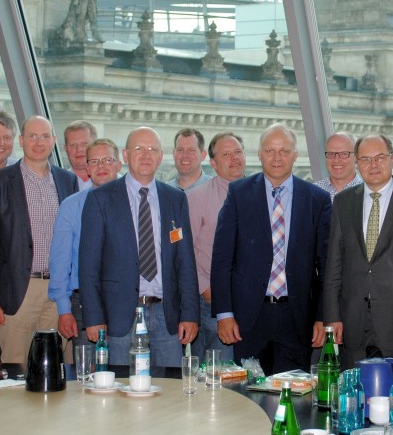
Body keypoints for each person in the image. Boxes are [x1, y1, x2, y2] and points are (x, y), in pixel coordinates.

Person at [211, 123, 331, 373]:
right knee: (247, 398)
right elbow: (222, 259)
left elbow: (326, 266)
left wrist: (322, 316)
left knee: (295, 396)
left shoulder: (316, 199)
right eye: (270, 150)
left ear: (296, 155)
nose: (277, 157)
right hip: (247, 318)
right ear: (259, 153)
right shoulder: (238, 193)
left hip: (297, 317)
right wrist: (224, 314)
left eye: (284, 151)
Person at [79, 127, 199, 367]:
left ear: (160, 156)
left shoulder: (175, 198)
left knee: (169, 393)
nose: (146, 155)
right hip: (119, 318)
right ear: (125, 155)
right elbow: (88, 265)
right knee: (120, 392)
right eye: (138, 149)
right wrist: (94, 317)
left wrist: (190, 314)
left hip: (166, 316)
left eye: (152, 149)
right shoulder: (101, 199)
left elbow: (185, 261)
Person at [322, 133, 393, 374]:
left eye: (380, 157)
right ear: (357, 163)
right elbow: (334, 263)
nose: (373, 165)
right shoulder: (343, 202)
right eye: (365, 159)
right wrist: (332, 318)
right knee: (353, 399)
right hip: (353, 322)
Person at [0, 116, 79, 365]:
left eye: (45, 136)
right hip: (19, 289)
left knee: (56, 364)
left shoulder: (67, 181)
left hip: (59, 290)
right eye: (32, 136)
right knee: (15, 365)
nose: (38, 142)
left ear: (53, 141)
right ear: (21, 141)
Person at [48, 138, 121, 355]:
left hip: (126, 300)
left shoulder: (136, 203)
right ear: (87, 168)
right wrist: (64, 309)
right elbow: (60, 260)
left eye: (108, 160)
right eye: (95, 161)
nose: (101, 166)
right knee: (88, 377)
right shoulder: (71, 206)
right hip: (84, 302)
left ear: (119, 164)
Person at [187, 132, 247, 357]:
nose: (235, 159)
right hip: (213, 301)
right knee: (220, 371)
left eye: (238, 152)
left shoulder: (260, 193)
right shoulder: (196, 198)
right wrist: (205, 287)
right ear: (213, 163)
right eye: (226, 154)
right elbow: (185, 252)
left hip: (252, 301)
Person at [313, 131, 363, 201]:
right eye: (331, 154)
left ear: (356, 157)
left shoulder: (369, 191)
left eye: (344, 154)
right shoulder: (312, 192)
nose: (336, 160)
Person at [63, 120, 97, 191]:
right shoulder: (57, 184)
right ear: (66, 149)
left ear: (95, 145)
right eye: (73, 145)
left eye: (84, 144)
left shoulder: (114, 182)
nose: (79, 149)